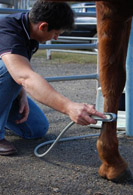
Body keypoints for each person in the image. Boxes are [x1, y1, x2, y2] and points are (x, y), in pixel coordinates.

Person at [0, 0, 105, 156]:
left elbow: (21, 73)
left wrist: (20, 93)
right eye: (56, 33)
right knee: (11, 72)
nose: (55, 38)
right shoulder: (8, 30)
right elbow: (23, 76)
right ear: (43, 26)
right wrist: (69, 107)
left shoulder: (29, 34)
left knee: (37, 129)